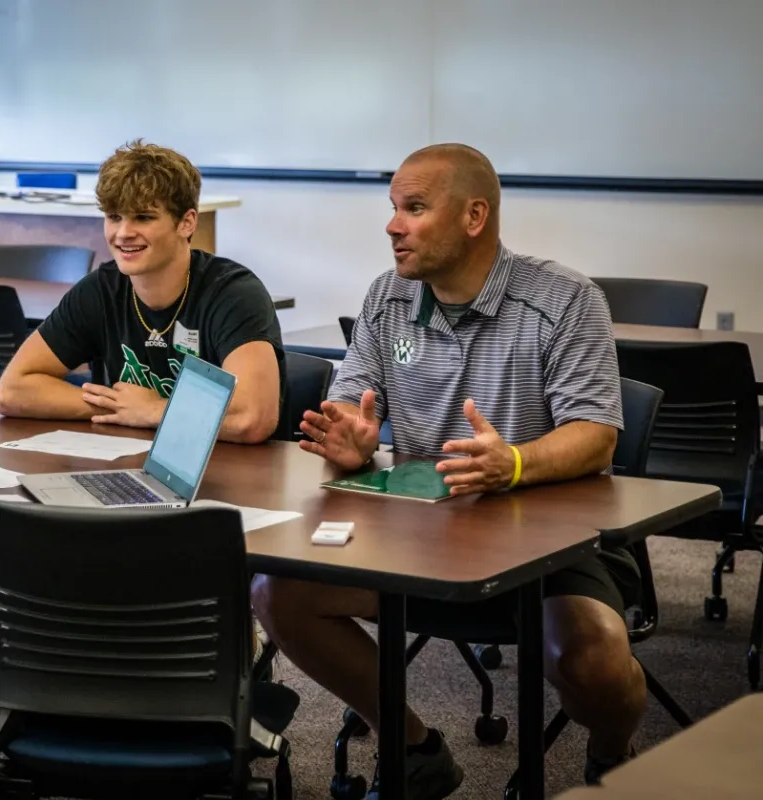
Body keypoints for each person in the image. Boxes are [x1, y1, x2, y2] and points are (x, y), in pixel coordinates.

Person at [251, 144, 641, 799]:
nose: (392, 225)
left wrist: (514, 463)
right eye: (393, 209)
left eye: (414, 208)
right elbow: (353, 397)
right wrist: (351, 438)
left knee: (592, 655)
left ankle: (612, 756)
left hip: (544, 541)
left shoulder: (565, 299)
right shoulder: (390, 298)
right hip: (418, 535)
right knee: (277, 593)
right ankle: (414, 748)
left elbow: (596, 438)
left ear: (474, 217)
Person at [0, 139, 286, 443]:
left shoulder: (234, 294)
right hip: (137, 463)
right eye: (114, 217)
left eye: (144, 217)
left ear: (187, 223)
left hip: (234, 476)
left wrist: (155, 411)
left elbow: (252, 418)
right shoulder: (100, 289)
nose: (123, 233)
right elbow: (12, 390)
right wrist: (119, 407)